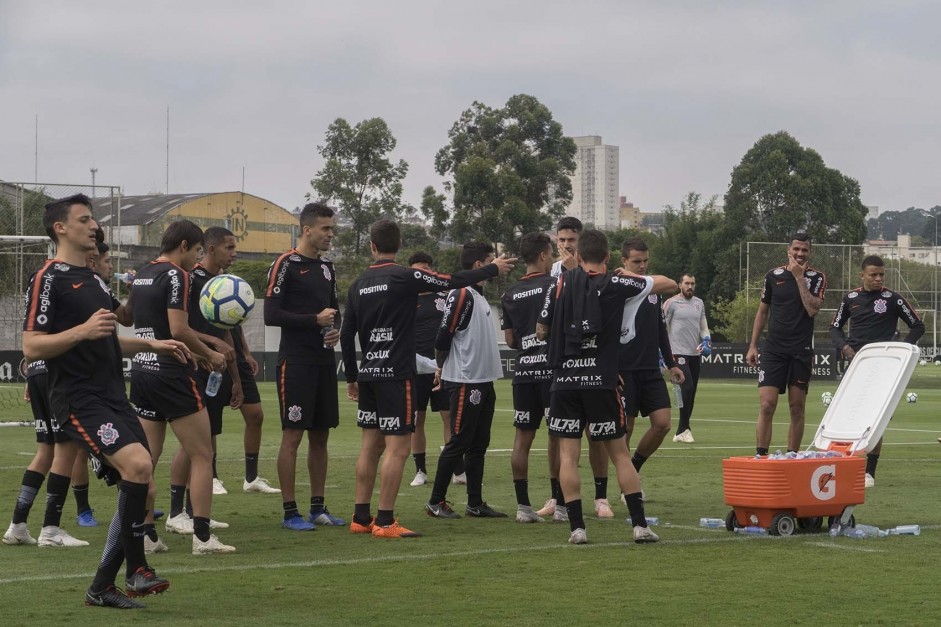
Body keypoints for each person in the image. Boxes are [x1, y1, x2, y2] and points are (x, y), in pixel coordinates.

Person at [23, 193, 189, 607]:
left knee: (145, 483)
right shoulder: (48, 277)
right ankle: (135, 570)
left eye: (92, 219)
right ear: (61, 228)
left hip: (113, 394)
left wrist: (158, 344)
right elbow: (31, 346)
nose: (93, 225)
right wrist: (81, 331)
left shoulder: (96, 278)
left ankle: (101, 586)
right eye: (84, 219)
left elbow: (112, 336)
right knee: (136, 464)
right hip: (78, 397)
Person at [340, 219, 515, 538]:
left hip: (369, 374)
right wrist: (492, 269)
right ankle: (385, 521)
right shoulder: (404, 275)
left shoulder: (358, 284)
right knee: (397, 449)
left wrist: (352, 376)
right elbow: (453, 279)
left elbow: (347, 332)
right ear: (399, 245)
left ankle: (360, 516)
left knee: (369, 447)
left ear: (372, 246)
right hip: (397, 373)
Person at [536, 229, 676, 544]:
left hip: (565, 380)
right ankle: (639, 526)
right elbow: (670, 284)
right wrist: (630, 275)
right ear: (608, 257)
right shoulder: (616, 283)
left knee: (569, 456)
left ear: (578, 255)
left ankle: (577, 529)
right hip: (601, 380)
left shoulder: (560, 282)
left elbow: (541, 330)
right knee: (620, 454)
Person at [129, 219, 235, 554]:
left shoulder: (143, 273)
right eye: (198, 251)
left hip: (142, 371)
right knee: (202, 454)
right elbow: (178, 328)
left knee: (147, 458)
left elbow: (128, 316)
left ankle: (145, 534)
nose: (197, 258)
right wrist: (209, 354)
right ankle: (202, 538)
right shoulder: (177, 275)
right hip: (170, 373)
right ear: (185, 246)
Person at [264, 202, 345, 531]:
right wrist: (314, 320)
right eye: (325, 228)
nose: (330, 234)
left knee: (321, 436)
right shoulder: (285, 264)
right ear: (307, 230)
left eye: (331, 228)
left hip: (323, 361)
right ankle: (289, 512)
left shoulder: (328, 268)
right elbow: (271, 316)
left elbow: (334, 310)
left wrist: (335, 327)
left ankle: (317, 508)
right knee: (293, 436)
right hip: (295, 362)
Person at [425, 242, 508, 520]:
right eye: (490, 261)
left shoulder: (479, 296)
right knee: (458, 442)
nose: (496, 265)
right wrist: (441, 365)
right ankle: (436, 501)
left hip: (484, 381)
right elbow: (443, 334)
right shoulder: (461, 293)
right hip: (465, 380)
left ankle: (475, 503)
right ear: (478, 266)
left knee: (478, 444)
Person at [539, 216, 613, 520]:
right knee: (557, 437)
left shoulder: (598, 272)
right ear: (556, 240)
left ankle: (601, 498)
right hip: (563, 365)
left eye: (572, 240)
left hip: (594, 363)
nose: (567, 245)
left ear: (580, 243)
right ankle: (557, 498)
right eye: (562, 240)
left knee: (597, 436)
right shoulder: (552, 273)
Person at [830, 255, 924, 487]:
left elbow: (918, 326)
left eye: (881, 274)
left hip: (885, 367)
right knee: (848, 416)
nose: (879, 278)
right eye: (873, 275)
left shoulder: (892, 299)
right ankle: (845, 465)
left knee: (875, 420)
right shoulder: (850, 298)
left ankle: (869, 473)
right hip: (858, 365)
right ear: (862, 275)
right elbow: (834, 328)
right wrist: (844, 347)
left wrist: (903, 348)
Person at [746, 233, 826, 456]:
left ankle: (792, 456)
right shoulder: (773, 276)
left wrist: (800, 278)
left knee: (797, 408)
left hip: (801, 351)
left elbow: (812, 309)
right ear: (788, 250)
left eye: (805, 250)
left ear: (810, 252)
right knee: (766, 405)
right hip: (774, 350)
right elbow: (762, 312)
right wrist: (753, 345)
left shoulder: (817, 277)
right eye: (796, 249)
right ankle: (761, 455)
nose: (800, 254)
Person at [183, 226, 244, 499]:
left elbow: (226, 330)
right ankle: (182, 504)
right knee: (195, 436)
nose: (234, 253)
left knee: (212, 428)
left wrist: (237, 378)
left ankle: (200, 497)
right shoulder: (190, 280)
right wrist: (208, 347)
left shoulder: (224, 282)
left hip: (218, 367)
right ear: (209, 248)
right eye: (229, 247)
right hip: (194, 366)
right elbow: (178, 327)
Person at [619, 237, 683, 494]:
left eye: (645, 261)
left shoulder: (652, 290)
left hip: (649, 369)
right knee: (627, 428)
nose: (643, 266)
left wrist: (672, 364)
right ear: (624, 261)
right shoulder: (619, 287)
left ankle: (634, 467)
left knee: (663, 423)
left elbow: (660, 330)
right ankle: (626, 485)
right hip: (624, 369)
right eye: (636, 261)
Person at [2, 358, 88, 547]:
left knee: (45, 452)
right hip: (60, 373)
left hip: (36, 373)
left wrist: (31, 375)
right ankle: (51, 530)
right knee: (65, 451)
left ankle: (17, 526)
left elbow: (31, 341)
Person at [500, 232, 555, 523]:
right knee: (558, 437)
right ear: (544, 255)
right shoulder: (555, 285)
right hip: (551, 372)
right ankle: (558, 504)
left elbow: (510, 340)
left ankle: (523, 508)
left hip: (524, 373)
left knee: (522, 438)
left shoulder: (510, 294)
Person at [405, 252, 457, 488]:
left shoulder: (445, 297)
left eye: (427, 269)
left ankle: (455, 469)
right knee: (417, 419)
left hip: (443, 369)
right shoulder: (404, 300)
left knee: (449, 418)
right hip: (416, 369)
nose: (423, 273)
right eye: (418, 269)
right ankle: (420, 470)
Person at [663, 273, 711, 443]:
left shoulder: (699, 303)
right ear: (680, 285)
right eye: (687, 283)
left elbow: (703, 326)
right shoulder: (671, 303)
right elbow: (662, 327)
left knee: (692, 392)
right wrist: (663, 353)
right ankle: (684, 429)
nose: (690, 286)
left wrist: (706, 340)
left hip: (694, 353)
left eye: (692, 283)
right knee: (687, 387)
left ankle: (682, 430)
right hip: (677, 352)